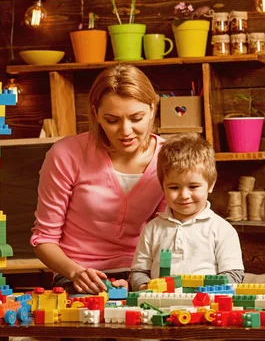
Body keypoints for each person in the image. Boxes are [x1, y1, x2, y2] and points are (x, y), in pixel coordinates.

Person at [31, 64, 166, 295]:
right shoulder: (66, 154)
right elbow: (44, 240)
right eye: (112, 120)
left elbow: (166, 232)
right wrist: (75, 272)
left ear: (152, 109)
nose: (126, 131)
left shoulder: (168, 157)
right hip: (76, 273)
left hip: (141, 272)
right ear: (96, 114)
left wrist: (146, 279)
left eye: (137, 118)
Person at [129, 133, 244, 290]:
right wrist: (145, 287)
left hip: (206, 307)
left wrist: (207, 290)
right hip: (160, 305)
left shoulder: (222, 230)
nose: (184, 195)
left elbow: (234, 275)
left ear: (210, 184)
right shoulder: (152, 229)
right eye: (174, 187)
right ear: (162, 186)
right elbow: (138, 272)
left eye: (193, 186)